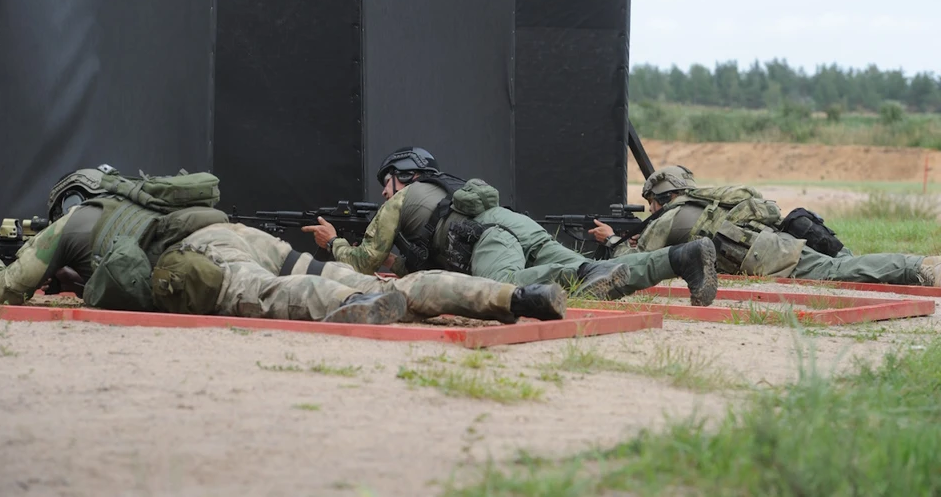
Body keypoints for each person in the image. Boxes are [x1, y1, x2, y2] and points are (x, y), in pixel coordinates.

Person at [0, 167, 568, 325]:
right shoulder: (143, 197)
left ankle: (354, 310)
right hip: (236, 234)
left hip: (208, 258)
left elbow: (4, 289)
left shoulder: (72, 225)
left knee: (279, 295)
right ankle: (514, 296)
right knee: (371, 280)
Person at [302, 147, 719, 306]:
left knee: (526, 286)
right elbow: (420, 257)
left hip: (489, 240)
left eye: (385, 184)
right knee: (602, 281)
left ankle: (586, 272)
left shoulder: (403, 198)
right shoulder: (444, 191)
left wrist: (334, 242)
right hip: (518, 227)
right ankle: (681, 258)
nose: (382, 194)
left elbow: (366, 258)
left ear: (399, 176)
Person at [589, 165, 941, 287]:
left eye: (651, 202)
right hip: (771, 244)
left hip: (769, 258)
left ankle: (919, 268)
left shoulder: (667, 219)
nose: (649, 209)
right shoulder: (704, 202)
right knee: (840, 266)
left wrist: (612, 239)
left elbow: (634, 263)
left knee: (839, 272)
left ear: (661, 197)